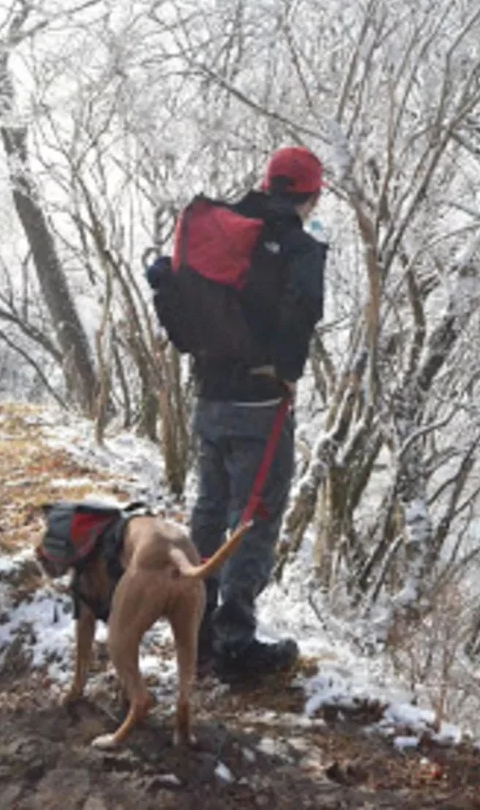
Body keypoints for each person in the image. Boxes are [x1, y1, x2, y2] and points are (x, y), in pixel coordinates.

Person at [187, 145, 327, 679]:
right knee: (254, 519)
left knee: (209, 509)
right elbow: (305, 310)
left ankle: (194, 628)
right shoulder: (298, 248)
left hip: (208, 394)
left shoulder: (225, 226)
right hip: (260, 405)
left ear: (269, 184)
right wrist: (286, 368)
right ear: (310, 196)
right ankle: (235, 644)